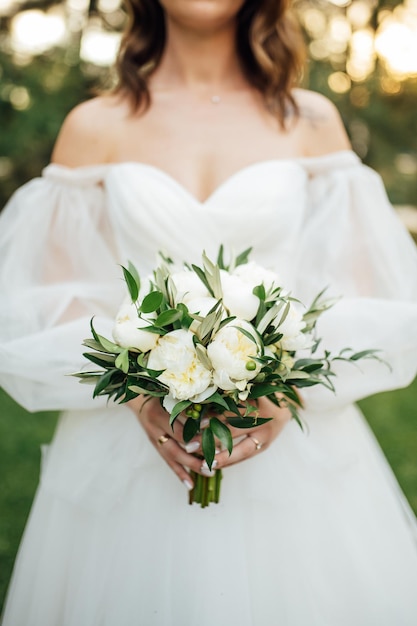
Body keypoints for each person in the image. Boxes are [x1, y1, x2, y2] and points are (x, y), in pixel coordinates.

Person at [1, 0, 417, 624]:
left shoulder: (309, 121)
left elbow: (365, 292)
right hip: (128, 456)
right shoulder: (95, 124)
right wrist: (141, 390)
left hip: (292, 453)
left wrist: (289, 390)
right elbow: (51, 303)